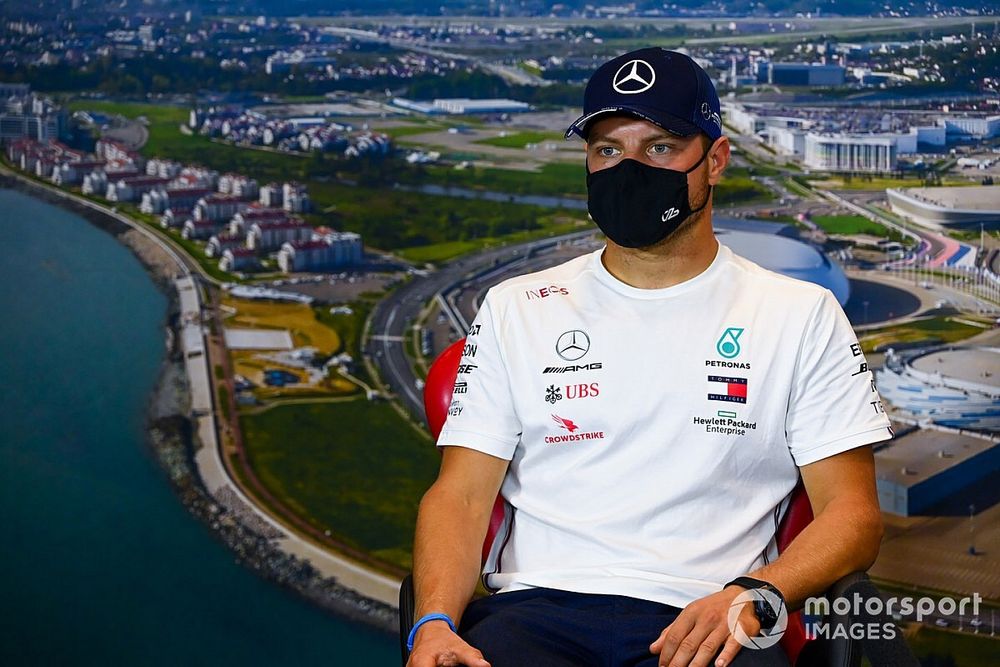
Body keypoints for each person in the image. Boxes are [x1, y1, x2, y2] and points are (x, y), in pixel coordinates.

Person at [406, 48, 893, 667]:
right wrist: (435, 624)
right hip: (532, 615)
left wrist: (759, 595)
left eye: (658, 147)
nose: (628, 168)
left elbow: (853, 517)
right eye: (607, 149)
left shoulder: (800, 314)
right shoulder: (515, 307)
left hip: (710, 618)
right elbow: (461, 498)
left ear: (714, 160)